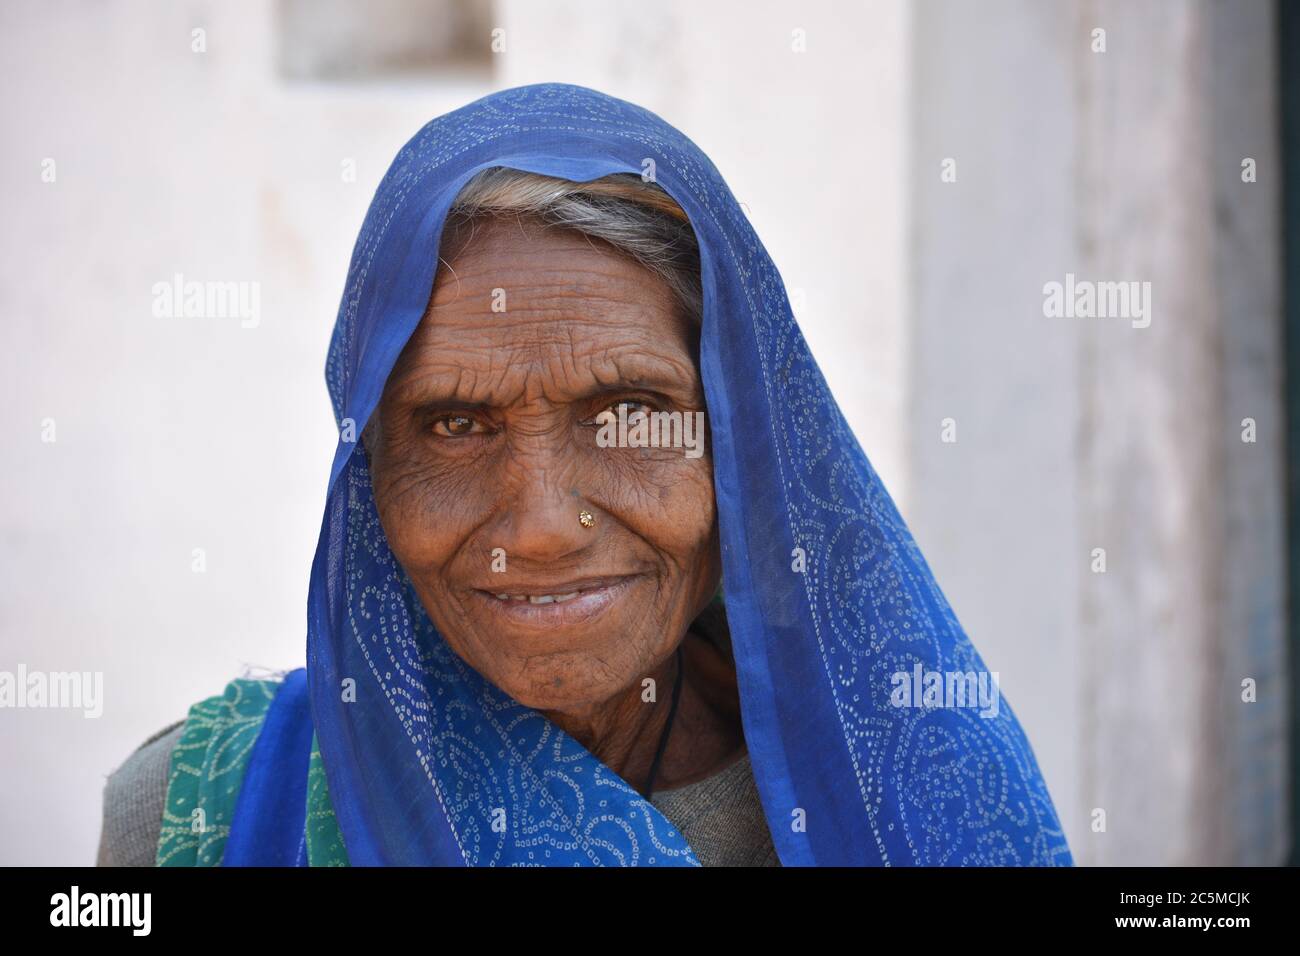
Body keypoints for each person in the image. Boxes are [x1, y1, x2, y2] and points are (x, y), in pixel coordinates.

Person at [98, 82, 1073, 867]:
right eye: (453, 423)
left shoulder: (903, 807)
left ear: (743, 445)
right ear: (369, 476)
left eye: (631, 414)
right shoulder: (204, 815)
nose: (542, 526)